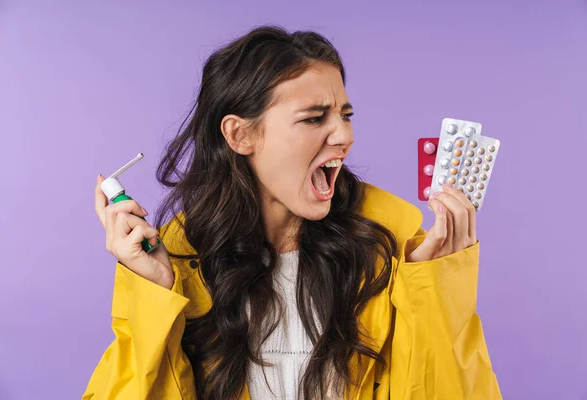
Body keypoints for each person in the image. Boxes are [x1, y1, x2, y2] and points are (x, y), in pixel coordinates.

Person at [86, 26, 501, 400]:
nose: (345, 135)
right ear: (240, 134)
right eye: (315, 117)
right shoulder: (181, 260)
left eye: (345, 115)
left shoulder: (394, 254)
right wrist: (153, 293)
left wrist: (437, 296)